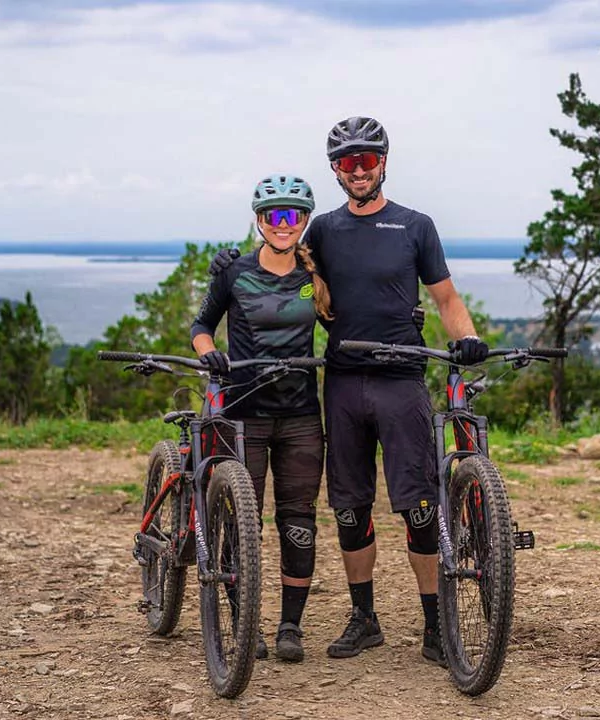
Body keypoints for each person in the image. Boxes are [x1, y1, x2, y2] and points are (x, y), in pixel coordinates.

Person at [209, 117, 489, 665]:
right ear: (335, 170)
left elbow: (447, 299)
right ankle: (365, 619)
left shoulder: (416, 226)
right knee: (348, 507)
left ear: (383, 162)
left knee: (420, 507)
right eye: (346, 162)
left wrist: (470, 338)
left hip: (401, 382)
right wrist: (229, 264)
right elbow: (278, 254)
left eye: (366, 160)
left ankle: (436, 625)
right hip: (340, 384)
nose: (357, 170)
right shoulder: (324, 231)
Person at [191, 174, 331, 663]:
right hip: (242, 415)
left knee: (298, 521)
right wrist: (209, 353)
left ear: (305, 221)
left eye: (293, 216)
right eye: (274, 215)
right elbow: (202, 326)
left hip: (300, 419)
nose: (283, 224)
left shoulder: (317, 278)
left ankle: (291, 626)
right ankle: (243, 623)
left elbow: (349, 320)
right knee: (238, 522)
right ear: (259, 221)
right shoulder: (234, 272)